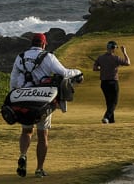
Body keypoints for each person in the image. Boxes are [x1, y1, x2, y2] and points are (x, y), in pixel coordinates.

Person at [10, 32, 82, 178]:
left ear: (32, 43)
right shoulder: (48, 56)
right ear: (43, 44)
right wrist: (78, 72)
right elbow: (64, 73)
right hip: (42, 100)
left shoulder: (20, 57)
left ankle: (23, 155)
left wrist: (14, 97)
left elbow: (13, 80)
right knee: (42, 135)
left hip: (23, 98)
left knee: (26, 131)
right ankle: (39, 169)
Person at [92, 40, 131, 124]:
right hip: (113, 82)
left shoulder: (100, 57)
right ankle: (106, 117)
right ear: (113, 49)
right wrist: (124, 52)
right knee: (114, 102)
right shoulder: (116, 58)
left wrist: (101, 68)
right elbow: (128, 63)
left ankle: (111, 120)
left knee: (109, 102)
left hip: (104, 83)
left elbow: (95, 68)